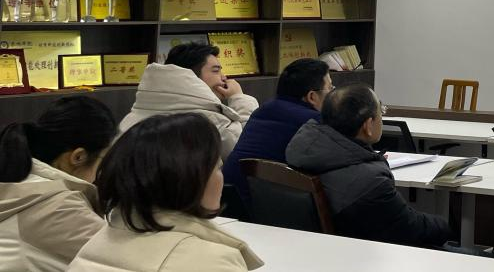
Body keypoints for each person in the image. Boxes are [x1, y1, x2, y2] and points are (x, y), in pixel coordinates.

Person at [67, 113, 262, 272]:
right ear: (189, 178)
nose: (222, 177)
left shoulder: (99, 241)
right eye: (217, 167)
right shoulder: (210, 260)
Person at [285, 84, 449, 248]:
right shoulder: (371, 182)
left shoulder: (304, 152)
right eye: (381, 111)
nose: (382, 117)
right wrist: (447, 227)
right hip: (366, 252)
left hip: (322, 247)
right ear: (368, 126)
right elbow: (411, 229)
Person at [0, 97, 116, 272]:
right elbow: (124, 259)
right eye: (104, 159)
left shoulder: (19, 180)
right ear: (78, 157)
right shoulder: (57, 208)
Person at [120, 43, 259, 159]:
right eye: (216, 71)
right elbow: (249, 149)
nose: (224, 78)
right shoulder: (209, 121)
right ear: (190, 76)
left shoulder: (136, 113)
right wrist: (239, 97)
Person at [224, 58, 331, 202]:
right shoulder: (314, 122)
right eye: (330, 88)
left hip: (230, 199)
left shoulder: (264, 109)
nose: (333, 93)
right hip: (265, 207)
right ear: (312, 96)